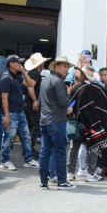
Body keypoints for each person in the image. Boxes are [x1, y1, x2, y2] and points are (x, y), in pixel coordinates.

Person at [38, 56, 75, 190]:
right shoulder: (58, 81)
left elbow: (39, 103)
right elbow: (63, 102)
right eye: (64, 66)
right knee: (60, 151)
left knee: (45, 151)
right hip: (56, 120)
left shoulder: (45, 80)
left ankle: (43, 181)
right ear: (56, 67)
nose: (67, 69)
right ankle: (62, 181)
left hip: (45, 120)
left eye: (67, 67)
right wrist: (68, 94)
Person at [0, 55, 39, 171]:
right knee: (8, 137)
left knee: (25, 135)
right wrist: (6, 116)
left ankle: (29, 159)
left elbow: (30, 84)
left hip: (20, 111)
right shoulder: (6, 78)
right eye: (18, 63)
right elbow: (4, 98)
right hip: (10, 112)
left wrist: (24, 72)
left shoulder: (18, 76)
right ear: (11, 64)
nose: (20, 65)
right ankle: (5, 161)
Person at [24, 53, 50, 160]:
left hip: (28, 103)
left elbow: (27, 84)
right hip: (32, 103)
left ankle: (29, 148)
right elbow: (31, 86)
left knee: (32, 127)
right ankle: (29, 148)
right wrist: (35, 100)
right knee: (35, 127)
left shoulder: (31, 72)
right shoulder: (35, 73)